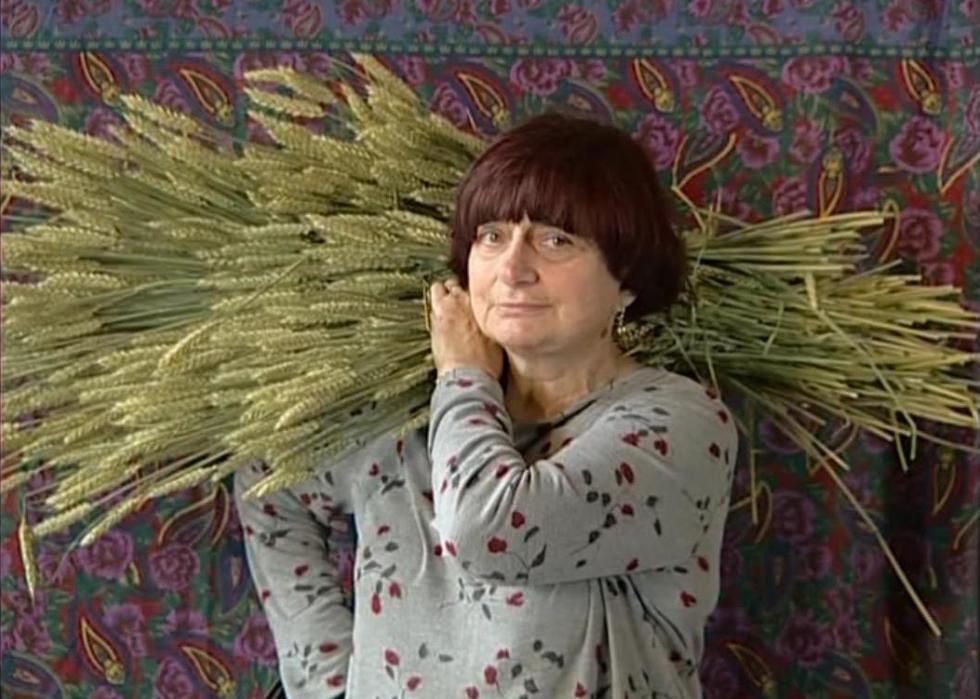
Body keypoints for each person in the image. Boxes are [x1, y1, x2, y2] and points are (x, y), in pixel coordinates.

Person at [235, 112, 738, 698]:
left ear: (627, 279)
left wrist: (464, 374)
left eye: (555, 240)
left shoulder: (678, 425)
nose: (513, 269)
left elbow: (489, 531)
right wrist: (330, 684)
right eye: (492, 236)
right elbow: (268, 480)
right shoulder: (405, 422)